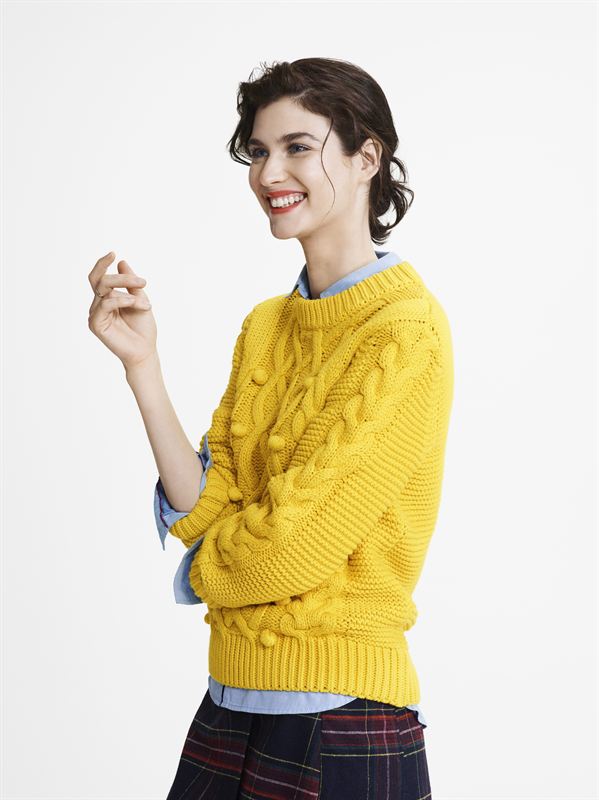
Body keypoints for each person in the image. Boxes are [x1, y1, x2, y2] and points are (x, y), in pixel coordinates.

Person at [87, 56, 453, 800]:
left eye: (297, 147)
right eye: (258, 151)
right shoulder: (266, 325)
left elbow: (293, 548)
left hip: (342, 712)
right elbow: (207, 507)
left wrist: (203, 575)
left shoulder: (405, 333)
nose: (268, 173)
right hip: (229, 700)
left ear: (366, 159)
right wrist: (143, 366)